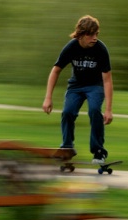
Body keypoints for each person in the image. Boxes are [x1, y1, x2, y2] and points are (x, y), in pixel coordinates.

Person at [42, 15, 114, 164]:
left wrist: (108, 109)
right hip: (76, 86)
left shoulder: (101, 49)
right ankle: (67, 148)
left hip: (95, 86)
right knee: (67, 112)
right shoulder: (71, 47)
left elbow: (107, 80)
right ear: (81, 34)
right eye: (90, 34)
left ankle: (98, 151)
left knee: (94, 111)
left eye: (96, 34)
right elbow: (55, 70)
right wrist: (48, 97)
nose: (94, 38)